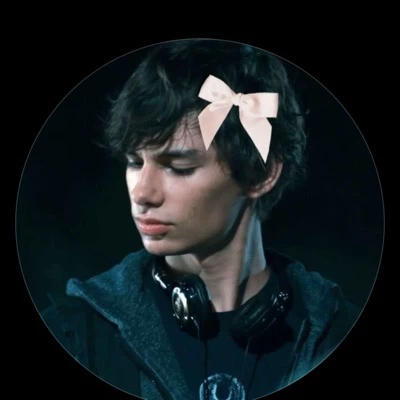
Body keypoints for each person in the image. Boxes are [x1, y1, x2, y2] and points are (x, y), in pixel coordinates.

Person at [41, 39, 361, 400]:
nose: (142, 192)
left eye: (179, 168)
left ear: (260, 174)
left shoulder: (336, 331)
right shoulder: (75, 333)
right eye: (134, 162)